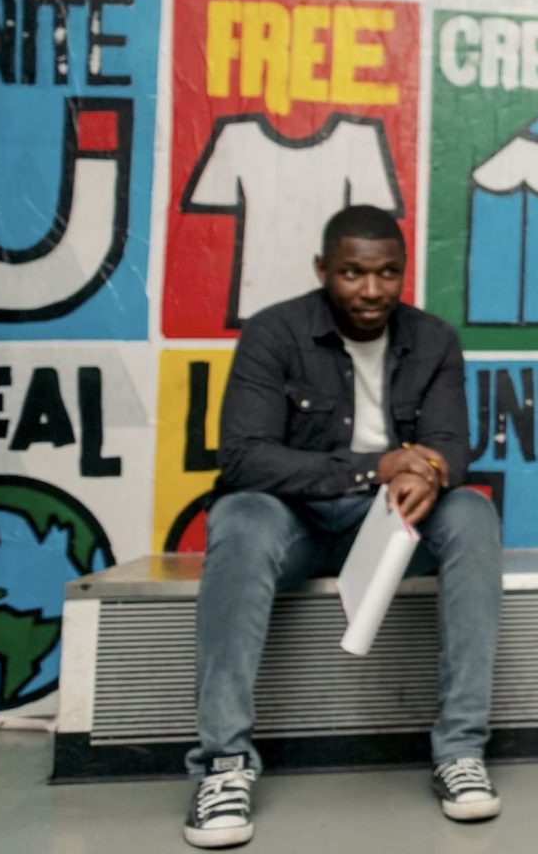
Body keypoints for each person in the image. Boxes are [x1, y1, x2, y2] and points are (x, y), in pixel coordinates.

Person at [183, 205, 503, 849]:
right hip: (293, 522)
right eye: (353, 273)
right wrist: (375, 468)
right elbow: (244, 458)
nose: (372, 290)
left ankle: (460, 751)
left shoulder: (434, 339)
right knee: (240, 516)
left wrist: (428, 471)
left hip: (390, 523)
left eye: (388, 273)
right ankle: (223, 765)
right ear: (323, 269)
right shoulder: (274, 333)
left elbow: (450, 445)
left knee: (472, 512)